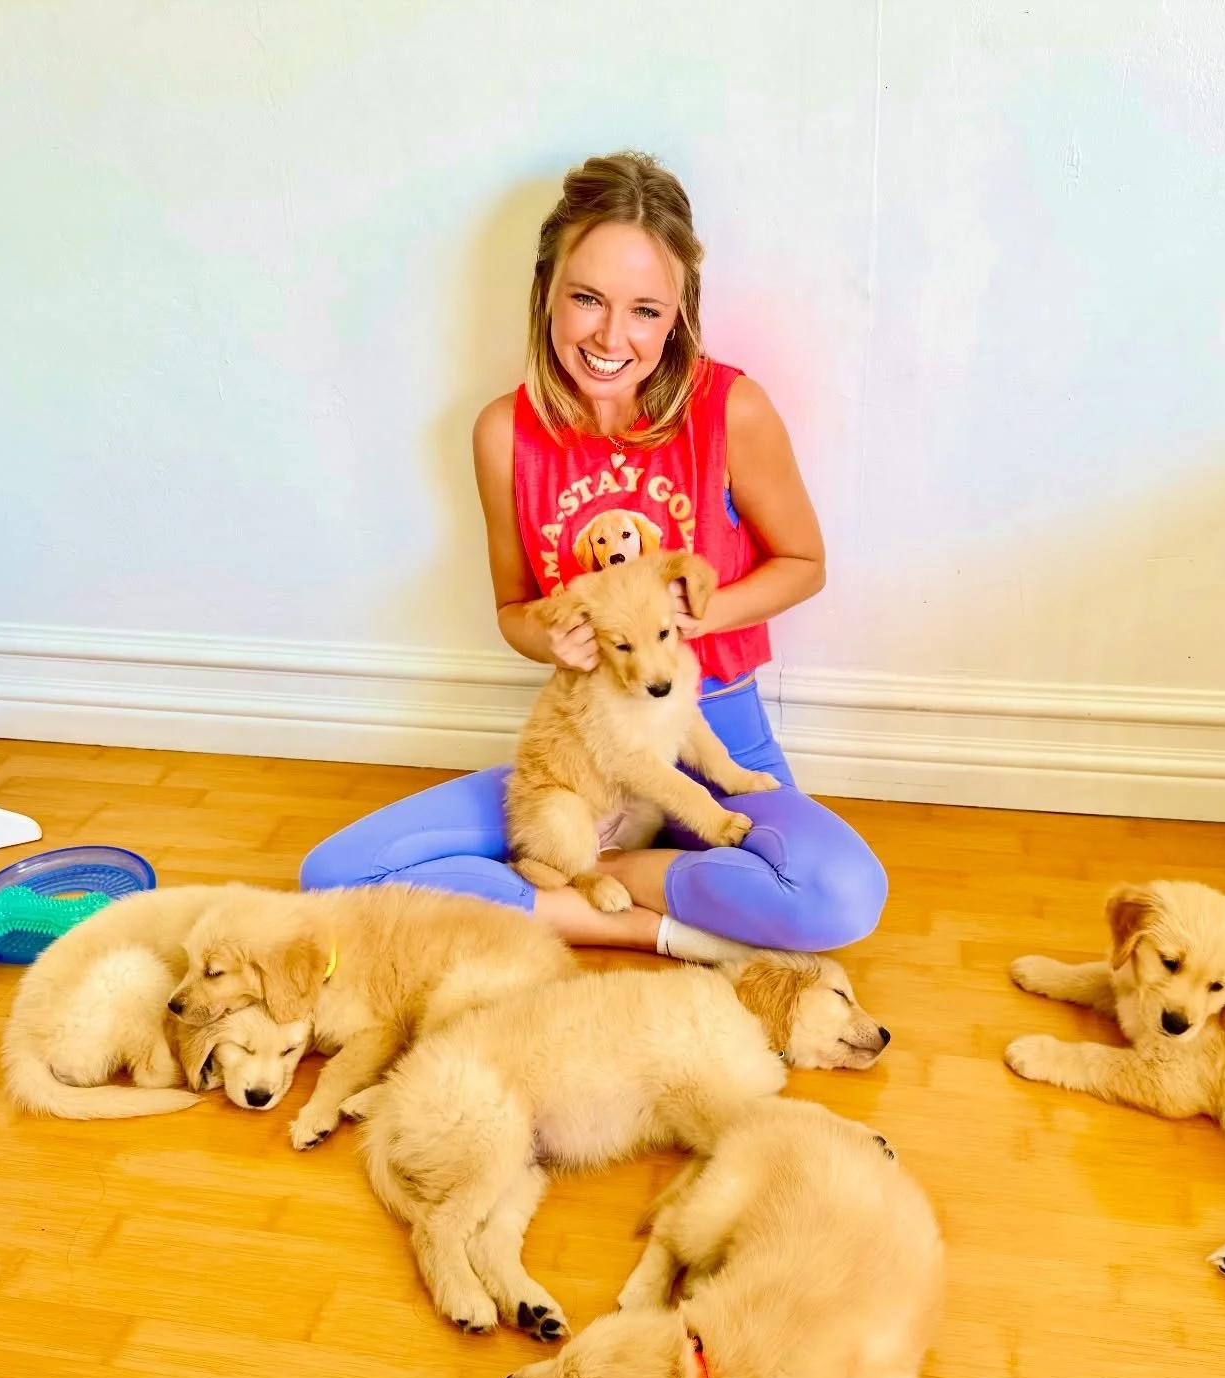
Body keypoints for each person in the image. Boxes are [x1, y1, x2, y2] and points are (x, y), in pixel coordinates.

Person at [300, 151, 887, 963]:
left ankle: (581, 881)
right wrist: (548, 641)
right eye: (587, 299)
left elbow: (804, 561)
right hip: (586, 755)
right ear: (547, 292)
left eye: (646, 310)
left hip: (716, 729)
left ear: (678, 315)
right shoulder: (504, 434)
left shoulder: (730, 411)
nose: (613, 337)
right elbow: (513, 608)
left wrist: (701, 612)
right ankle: (659, 922)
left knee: (843, 896)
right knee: (335, 872)